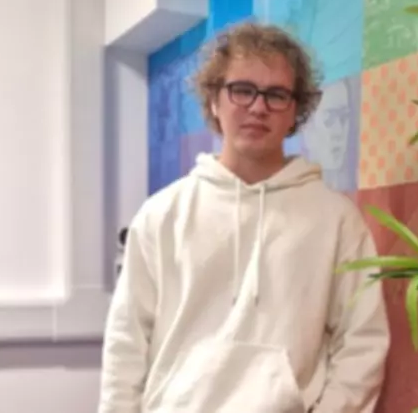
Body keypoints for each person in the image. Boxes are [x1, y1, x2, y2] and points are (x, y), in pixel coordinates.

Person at [98, 22, 390, 413]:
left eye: (276, 94)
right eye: (242, 90)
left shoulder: (337, 220)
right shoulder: (161, 215)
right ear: (214, 101)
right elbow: (126, 345)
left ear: (295, 111)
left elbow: (362, 343)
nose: (258, 107)